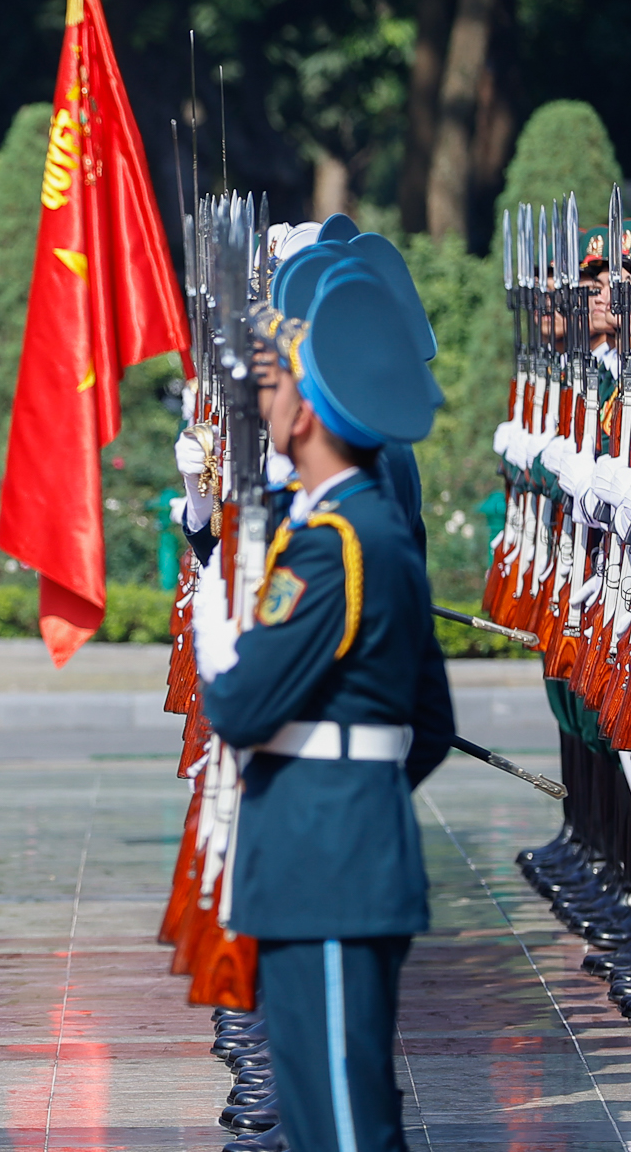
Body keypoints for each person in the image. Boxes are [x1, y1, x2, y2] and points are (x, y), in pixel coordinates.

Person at [191, 265, 454, 1152]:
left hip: (328, 859)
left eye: (270, 388)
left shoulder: (337, 543)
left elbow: (235, 702)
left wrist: (213, 617)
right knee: (322, 1121)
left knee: (343, 1129)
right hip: (336, 845)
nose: (262, 407)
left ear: (304, 411)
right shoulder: (363, 525)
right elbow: (431, 721)